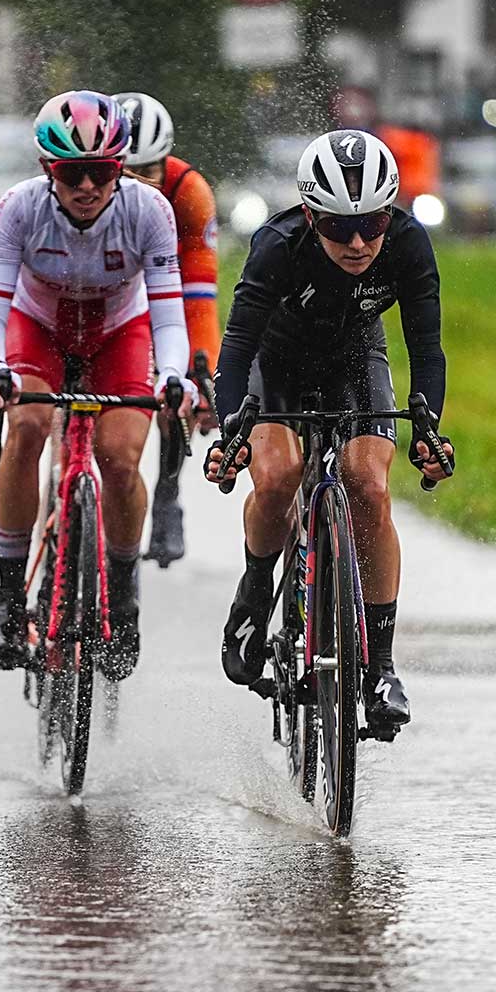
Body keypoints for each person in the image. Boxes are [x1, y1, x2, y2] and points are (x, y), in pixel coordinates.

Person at [202, 130, 453, 741]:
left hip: (354, 359)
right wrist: (231, 428)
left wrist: (428, 427)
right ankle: (257, 589)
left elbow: (425, 348)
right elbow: (235, 350)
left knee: (368, 484)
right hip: (278, 363)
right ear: (311, 216)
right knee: (280, 475)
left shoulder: (410, 244)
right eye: (340, 228)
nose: (360, 242)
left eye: (372, 223)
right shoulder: (276, 246)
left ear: (390, 212)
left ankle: (382, 669)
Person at [0, 90, 194, 680]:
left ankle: (122, 602)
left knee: (120, 458)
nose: (88, 187)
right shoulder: (18, 208)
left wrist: (174, 375)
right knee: (26, 426)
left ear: (119, 167)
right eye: (73, 174)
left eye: (101, 172)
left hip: (117, 331)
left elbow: (169, 315)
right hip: (39, 325)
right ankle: (9, 598)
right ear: (50, 171)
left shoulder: (149, 210)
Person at [115, 91, 221, 568]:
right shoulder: (84, 191)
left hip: (166, 297)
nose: (138, 184)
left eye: (149, 172)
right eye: (124, 172)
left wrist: (204, 372)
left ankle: (167, 493)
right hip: (107, 299)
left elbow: (198, 300)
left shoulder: (190, 195)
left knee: (176, 386)